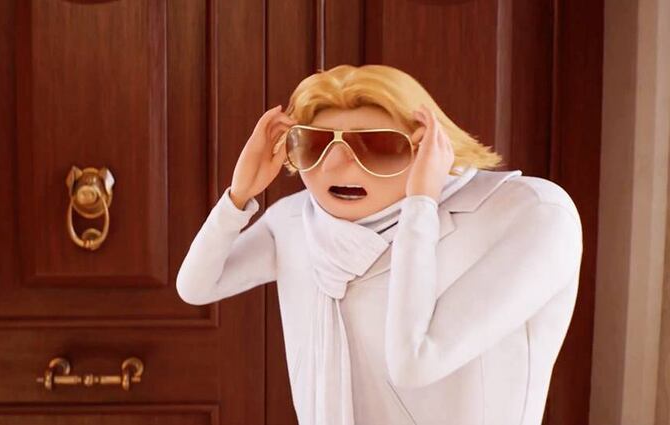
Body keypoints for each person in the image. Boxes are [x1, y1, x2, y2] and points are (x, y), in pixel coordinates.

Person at [176, 64, 583, 425]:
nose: (336, 165)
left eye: (377, 146)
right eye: (314, 145)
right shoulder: (296, 220)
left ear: (425, 147)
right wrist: (238, 196)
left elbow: (413, 362)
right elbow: (196, 286)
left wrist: (421, 204)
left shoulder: (530, 214)